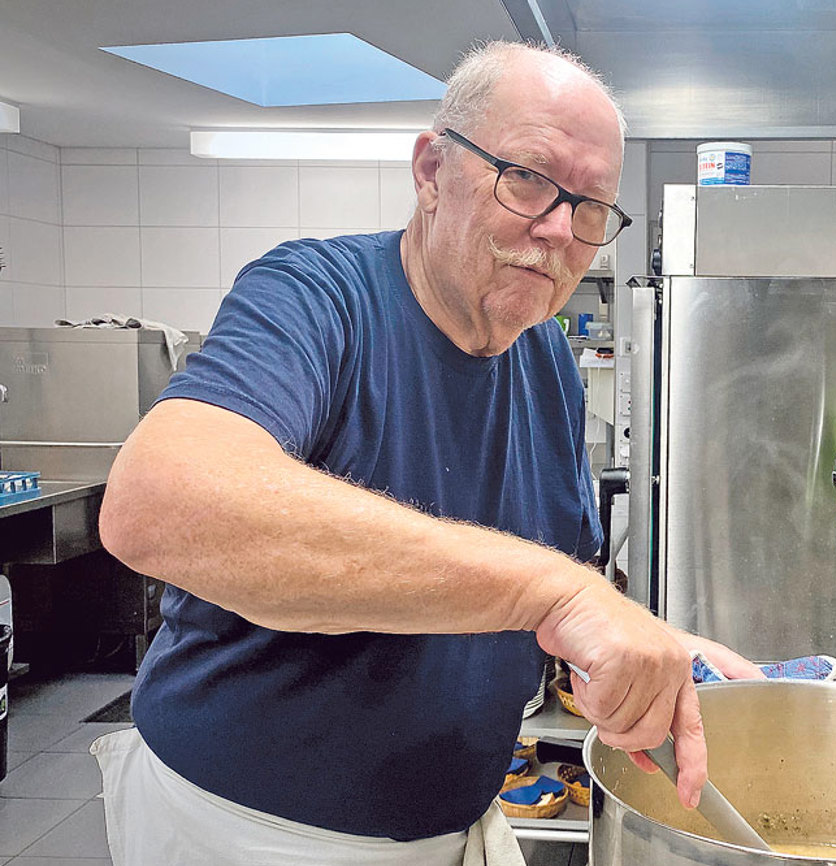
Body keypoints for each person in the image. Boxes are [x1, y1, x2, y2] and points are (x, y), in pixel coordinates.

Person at [94, 41, 760, 866]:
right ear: (431, 169)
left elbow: (518, 592)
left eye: (591, 206)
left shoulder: (545, 357)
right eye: (526, 178)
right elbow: (158, 505)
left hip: (458, 825)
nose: (559, 230)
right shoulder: (317, 297)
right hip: (247, 832)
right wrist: (559, 594)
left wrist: (650, 652)